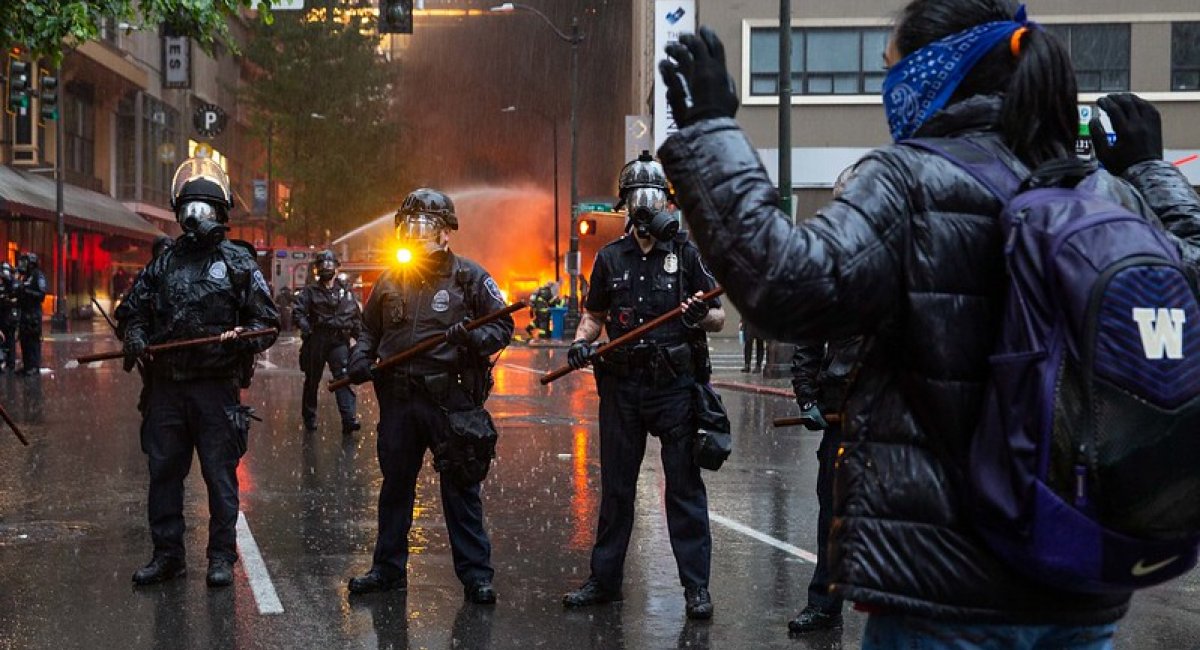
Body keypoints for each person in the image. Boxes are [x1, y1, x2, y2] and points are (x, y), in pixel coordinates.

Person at [658, 2, 1200, 646]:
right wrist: (1149, 170)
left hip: (946, 595)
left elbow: (786, 286)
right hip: (1078, 581)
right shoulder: (1102, 191)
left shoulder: (910, 178)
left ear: (930, 71)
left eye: (889, 67)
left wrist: (711, 128)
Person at [561, 152, 725, 620]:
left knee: (684, 490)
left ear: (666, 203)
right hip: (622, 389)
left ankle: (696, 588)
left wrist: (700, 315)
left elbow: (718, 315)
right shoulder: (611, 258)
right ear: (624, 204)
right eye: (637, 197)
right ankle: (604, 581)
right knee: (616, 490)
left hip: (674, 388)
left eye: (652, 197)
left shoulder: (686, 253)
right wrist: (579, 343)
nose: (645, 206)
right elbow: (594, 315)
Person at [345, 188, 513, 605]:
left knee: (460, 489)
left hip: (449, 400)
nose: (417, 235)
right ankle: (387, 570)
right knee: (396, 487)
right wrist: (360, 359)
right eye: (411, 227)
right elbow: (369, 330)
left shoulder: (470, 277)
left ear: (445, 234)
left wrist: (473, 338)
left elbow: (502, 327)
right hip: (399, 399)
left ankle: (477, 576)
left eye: (426, 227)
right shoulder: (389, 279)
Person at [119, 156, 279, 588]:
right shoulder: (164, 262)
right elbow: (131, 310)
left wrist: (241, 336)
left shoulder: (239, 263)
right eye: (189, 210)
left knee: (219, 476)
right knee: (164, 474)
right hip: (167, 389)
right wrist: (134, 334)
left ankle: (221, 557)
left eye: (205, 211)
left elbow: (268, 323)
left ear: (221, 215)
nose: (195, 218)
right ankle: (168, 556)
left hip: (215, 390)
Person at [786, 337, 861, 634]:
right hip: (842, 407)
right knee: (833, 516)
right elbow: (809, 336)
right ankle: (825, 605)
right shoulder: (837, 289)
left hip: (895, 406)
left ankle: (906, 610)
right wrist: (806, 396)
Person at [294, 249, 362, 435]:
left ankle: (349, 419)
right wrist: (306, 328)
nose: (327, 268)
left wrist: (361, 339)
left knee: (342, 377)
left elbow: (355, 316)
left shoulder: (346, 291)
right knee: (312, 380)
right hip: (317, 338)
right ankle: (310, 418)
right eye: (323, 265)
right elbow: (298, 312)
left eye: (330, 265)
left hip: (338, 339)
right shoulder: (310, 291)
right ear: (317, 269)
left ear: (337, 268)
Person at [14, 252, 47, 376]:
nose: (22, 265)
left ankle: (34, 366)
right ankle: (27, 366)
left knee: (33, 341)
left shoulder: (38, 276)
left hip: (33, 314)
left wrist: (26, 291)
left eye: (25, 262)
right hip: (24, 312)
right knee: (24, 341)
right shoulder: (24, 276)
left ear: (31, 264)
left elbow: (41, 295)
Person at [0, 263, 18, 372]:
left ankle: (10, 363)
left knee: (10, 340)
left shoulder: (12, 286)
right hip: (4, 316)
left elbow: (14, 301)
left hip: (9, 317)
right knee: (6, 340)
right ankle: (5, 361)